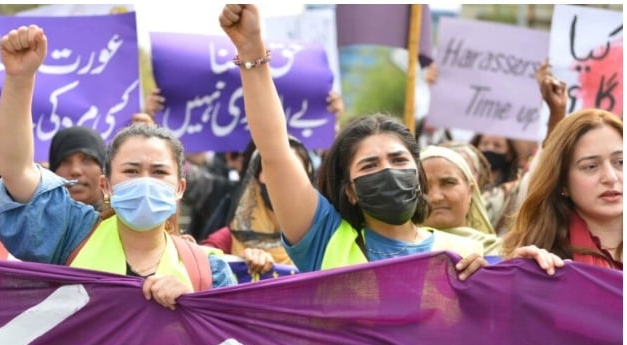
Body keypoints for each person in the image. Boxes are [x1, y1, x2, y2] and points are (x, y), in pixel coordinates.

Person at [218, 4, 562, 279]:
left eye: (399, 161)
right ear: (350, 189)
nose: (388, 170)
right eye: (370, 164)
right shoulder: (323, 239)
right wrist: (251, 50)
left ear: (417, 174)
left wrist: (520, 272)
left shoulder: (468, 254)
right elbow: (275, 151)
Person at [0, 25, 236, 309]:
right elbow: (16, 170)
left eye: (158, 172)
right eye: (131, 171)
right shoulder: (72, 232)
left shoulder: (208, 270)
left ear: (180, 187)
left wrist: (192, 307)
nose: (145, 182)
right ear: (106, 185)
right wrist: (19, 79)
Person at [503, 108, 623, 272]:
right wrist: (517, 275)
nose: (611, 177)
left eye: (621, 162)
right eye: (591, 166)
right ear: (562, 183)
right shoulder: (543, 262)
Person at [201, 136, 316, 274]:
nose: (282, 180)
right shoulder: (234, 236)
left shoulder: (323, 237)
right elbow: (196, 262)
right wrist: (239, 261)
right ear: (255, 179)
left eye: (293, 171)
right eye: (272, 171)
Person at [420, 145, 501, 256]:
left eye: (448, 183)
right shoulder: (398, 252)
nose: (435, 197)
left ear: (470, 191)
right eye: (423, 187)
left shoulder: (498, 253)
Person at [48, 126, 107, 209]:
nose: (75, 171)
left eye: (87, 160)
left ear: (103, 170)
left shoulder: (124, 219)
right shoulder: (37, 219)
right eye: (65, 161)